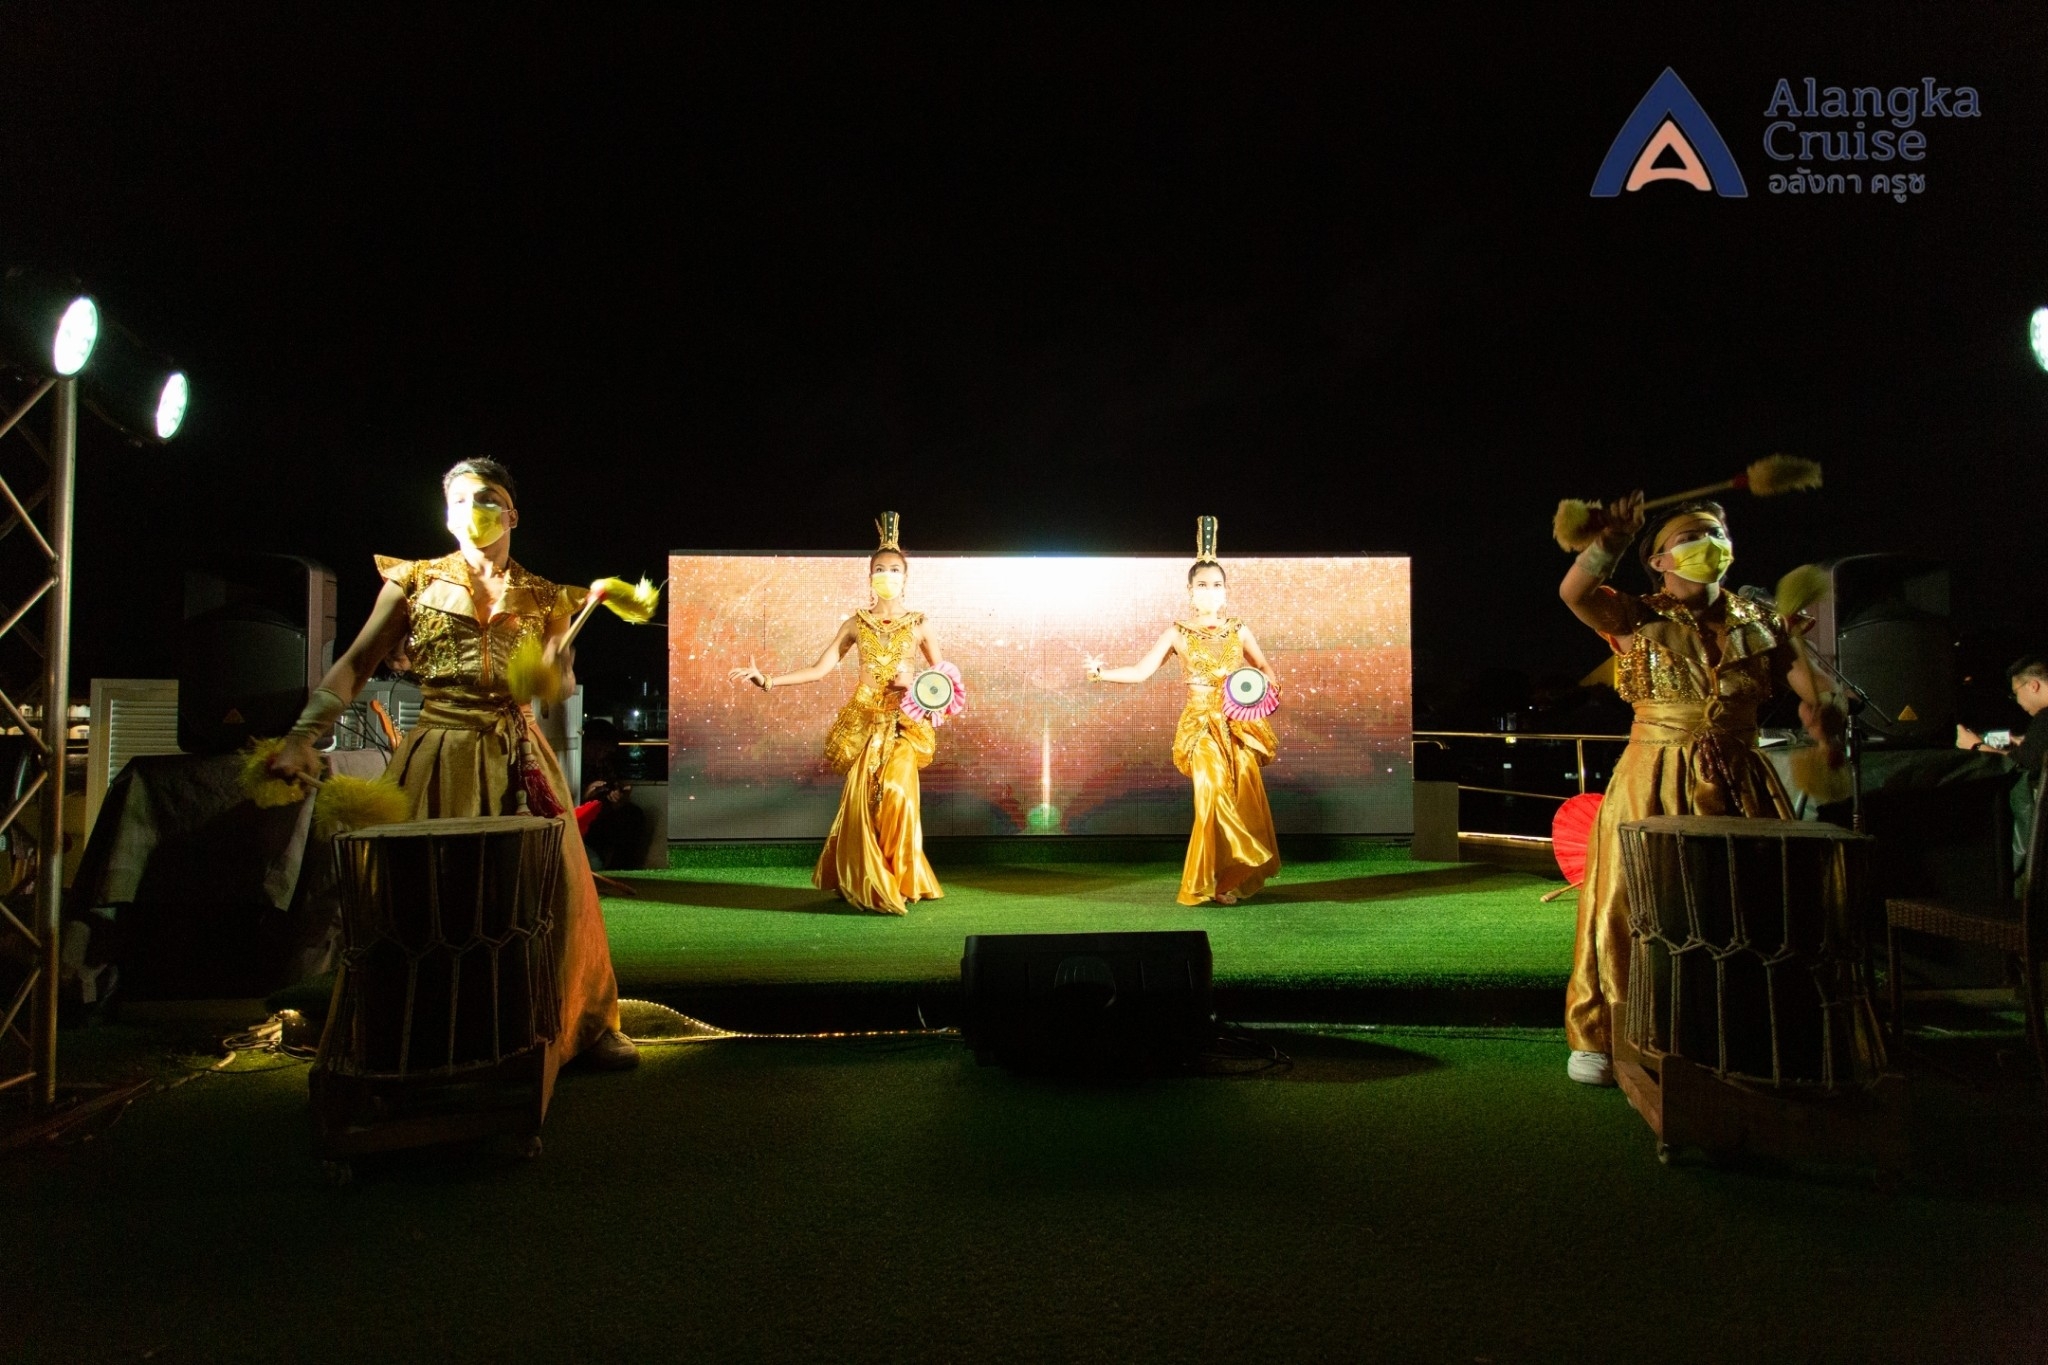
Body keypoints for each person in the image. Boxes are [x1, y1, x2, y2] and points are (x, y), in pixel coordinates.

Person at [268, 458, 637, 1069]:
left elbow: (562, 684)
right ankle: (415, 1035)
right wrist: (303, 736)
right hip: (439, 751)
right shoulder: (411, 582)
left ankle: (581, 1025)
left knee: (558, 890)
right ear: (446, 517)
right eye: (460, 501)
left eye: (486, 498)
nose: (474, 510)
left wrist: (554, 676)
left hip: (519, 754)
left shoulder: (547, 597)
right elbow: (356, 664)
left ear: (512, 515)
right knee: (424, 894)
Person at [1558, 492, 1839, 1086]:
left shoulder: (1762, 623)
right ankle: (1604, 1032)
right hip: (1652, 775)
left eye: (1715, 534)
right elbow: (1575, 594)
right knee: (1626, 900)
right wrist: (1609, 541)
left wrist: (1825, 713)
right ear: (1658, 561)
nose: (1707, 545)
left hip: (1741, 776)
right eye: (1688, 538)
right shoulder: (1634, 615)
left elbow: (1815, 689)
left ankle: (1749, 1033)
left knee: (1751, 898)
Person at [726, 513, 945, 915]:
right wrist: (768, 680)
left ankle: (902, 877)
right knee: (862, 801)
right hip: (865, 723)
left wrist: (914, 685)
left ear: (906, 577)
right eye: (880, 570)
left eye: (894, 570)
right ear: (870, 576)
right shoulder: (855, 624)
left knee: (897, 794)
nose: (887, 575)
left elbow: (942, 678)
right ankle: (869, 879)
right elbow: (819, 668)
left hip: (903, 722)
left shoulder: (920, 624)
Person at [1086, 516, 1280, 906]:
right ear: (1190, 591)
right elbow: (1141, 671)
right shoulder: (1178, 633)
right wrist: (1101, 674)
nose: (1211, 592)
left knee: (1244, 793)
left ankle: (1226, 881)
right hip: (1201, 727)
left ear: (1226, 591)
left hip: (1238, 726)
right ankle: (1212, 876)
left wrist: (1264, 689)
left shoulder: (1239, 630)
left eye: (1217, 585)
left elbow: (1264, 669)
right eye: (1203, 585)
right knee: (1211, 795)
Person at [1957, 655, 2048, 775]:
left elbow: (2020, 765)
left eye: (2015, 693)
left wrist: (1975, 745)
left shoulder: (2044, 717)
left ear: (2033, 686)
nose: (2018, 701)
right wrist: (2030, 744)